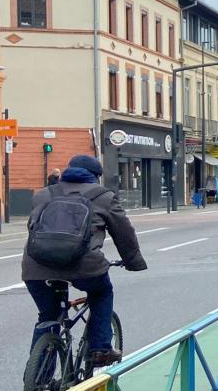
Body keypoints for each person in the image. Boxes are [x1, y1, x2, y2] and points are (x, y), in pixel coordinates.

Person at [22, 154, 147, 367]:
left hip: (37, 266)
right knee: (102, 292)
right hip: (83, 266)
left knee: (47, 315)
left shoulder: (43, 194)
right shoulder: (104, 197)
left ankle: (37, 379)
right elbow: (124, 234)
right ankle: (100, 348)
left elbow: (33, 227)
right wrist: (133, 261)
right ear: (96, 177)